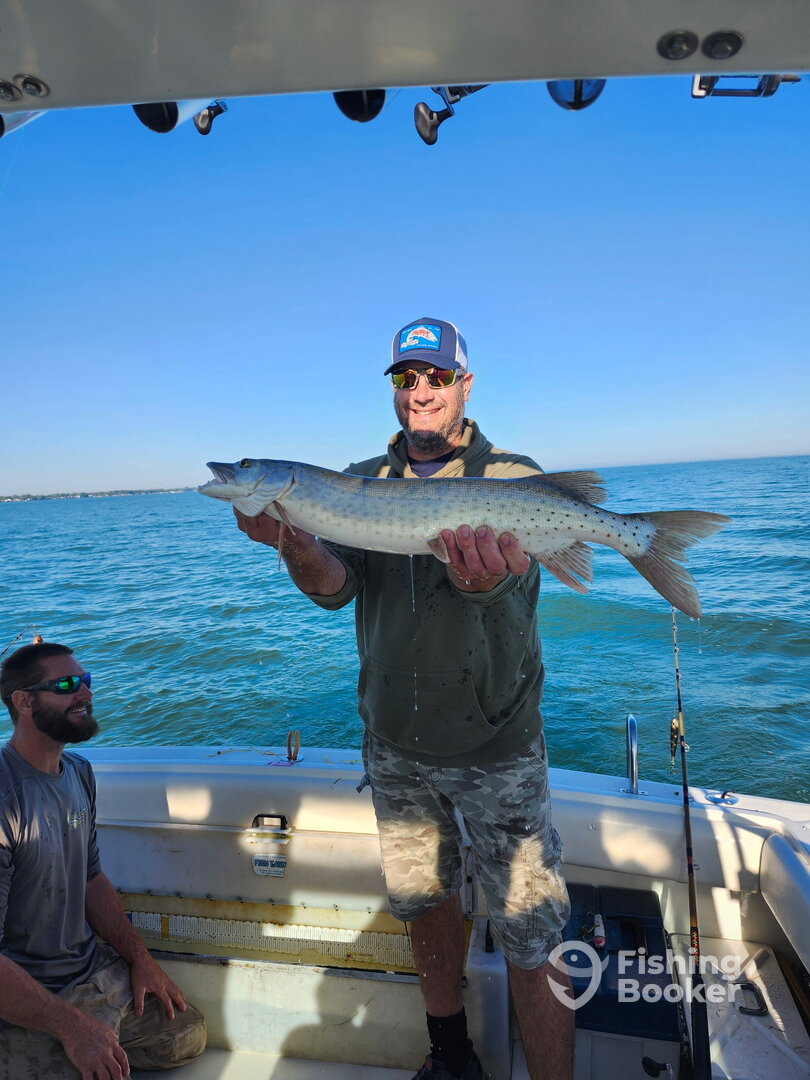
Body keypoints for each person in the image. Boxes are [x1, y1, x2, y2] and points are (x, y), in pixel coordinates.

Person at [234, 317, 574, 1080]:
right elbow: (334, 589)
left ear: (464, 385)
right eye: (406, 377)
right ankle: (449, 1055)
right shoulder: (355, 483)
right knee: (425, 905)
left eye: (437, 376)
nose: (421, 391)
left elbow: (507, 591)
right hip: (395, 744)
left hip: (498, 745)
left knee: (532, 928)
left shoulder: (513, 480)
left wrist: (479, 582)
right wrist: (297, 546)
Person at [0, 642, 207, 1080]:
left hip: (87, 972)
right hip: (23, 992)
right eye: (66, 685)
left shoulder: (78, 772)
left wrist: (141, 959)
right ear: (24, 702)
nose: (85, 693)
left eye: (86, 681)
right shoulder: (6, 797)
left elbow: (91, 878)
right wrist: (73, 1028)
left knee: (185, 1035)